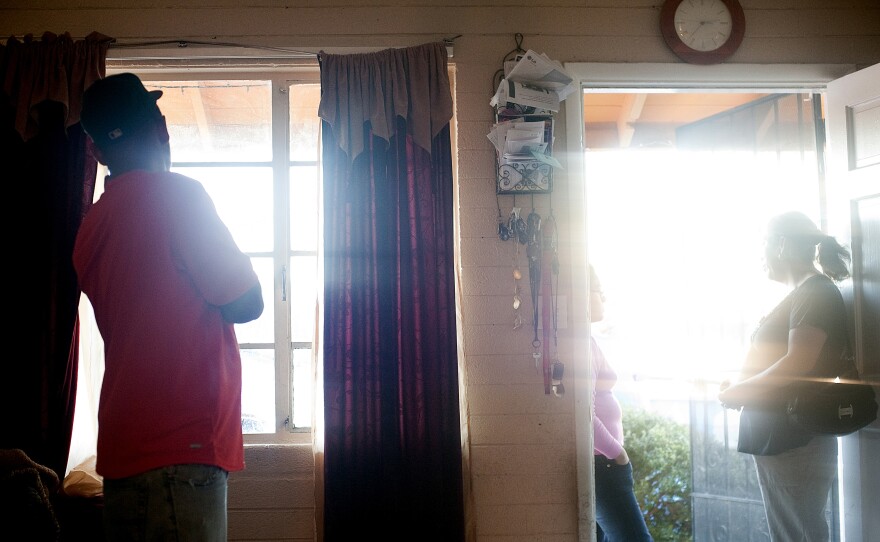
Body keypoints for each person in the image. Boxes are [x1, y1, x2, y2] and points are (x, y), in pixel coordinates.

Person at [73, 73, 264, 541]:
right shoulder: (181, 198)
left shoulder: (90, 226)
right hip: (185, 444)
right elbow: (249, 302)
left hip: (121, 452)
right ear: (161, 129)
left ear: (96, 152)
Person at [718, 211, 851, 542]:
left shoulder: (815, 293)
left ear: (780, 245)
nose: (760, 253)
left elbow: (798, 362)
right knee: (792, 533)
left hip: (794, 439)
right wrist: (741, 389)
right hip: (783, 438)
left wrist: (743, 391)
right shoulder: (804, 293)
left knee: (798, 535)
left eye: (763, 242)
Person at [589, 264, 653, 542]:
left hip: (603, 463)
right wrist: (617, 454)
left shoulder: (585, 341)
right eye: (598, 291)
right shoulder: (579, 345)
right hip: (603, 465)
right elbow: (583, 415)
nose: (604, 298)